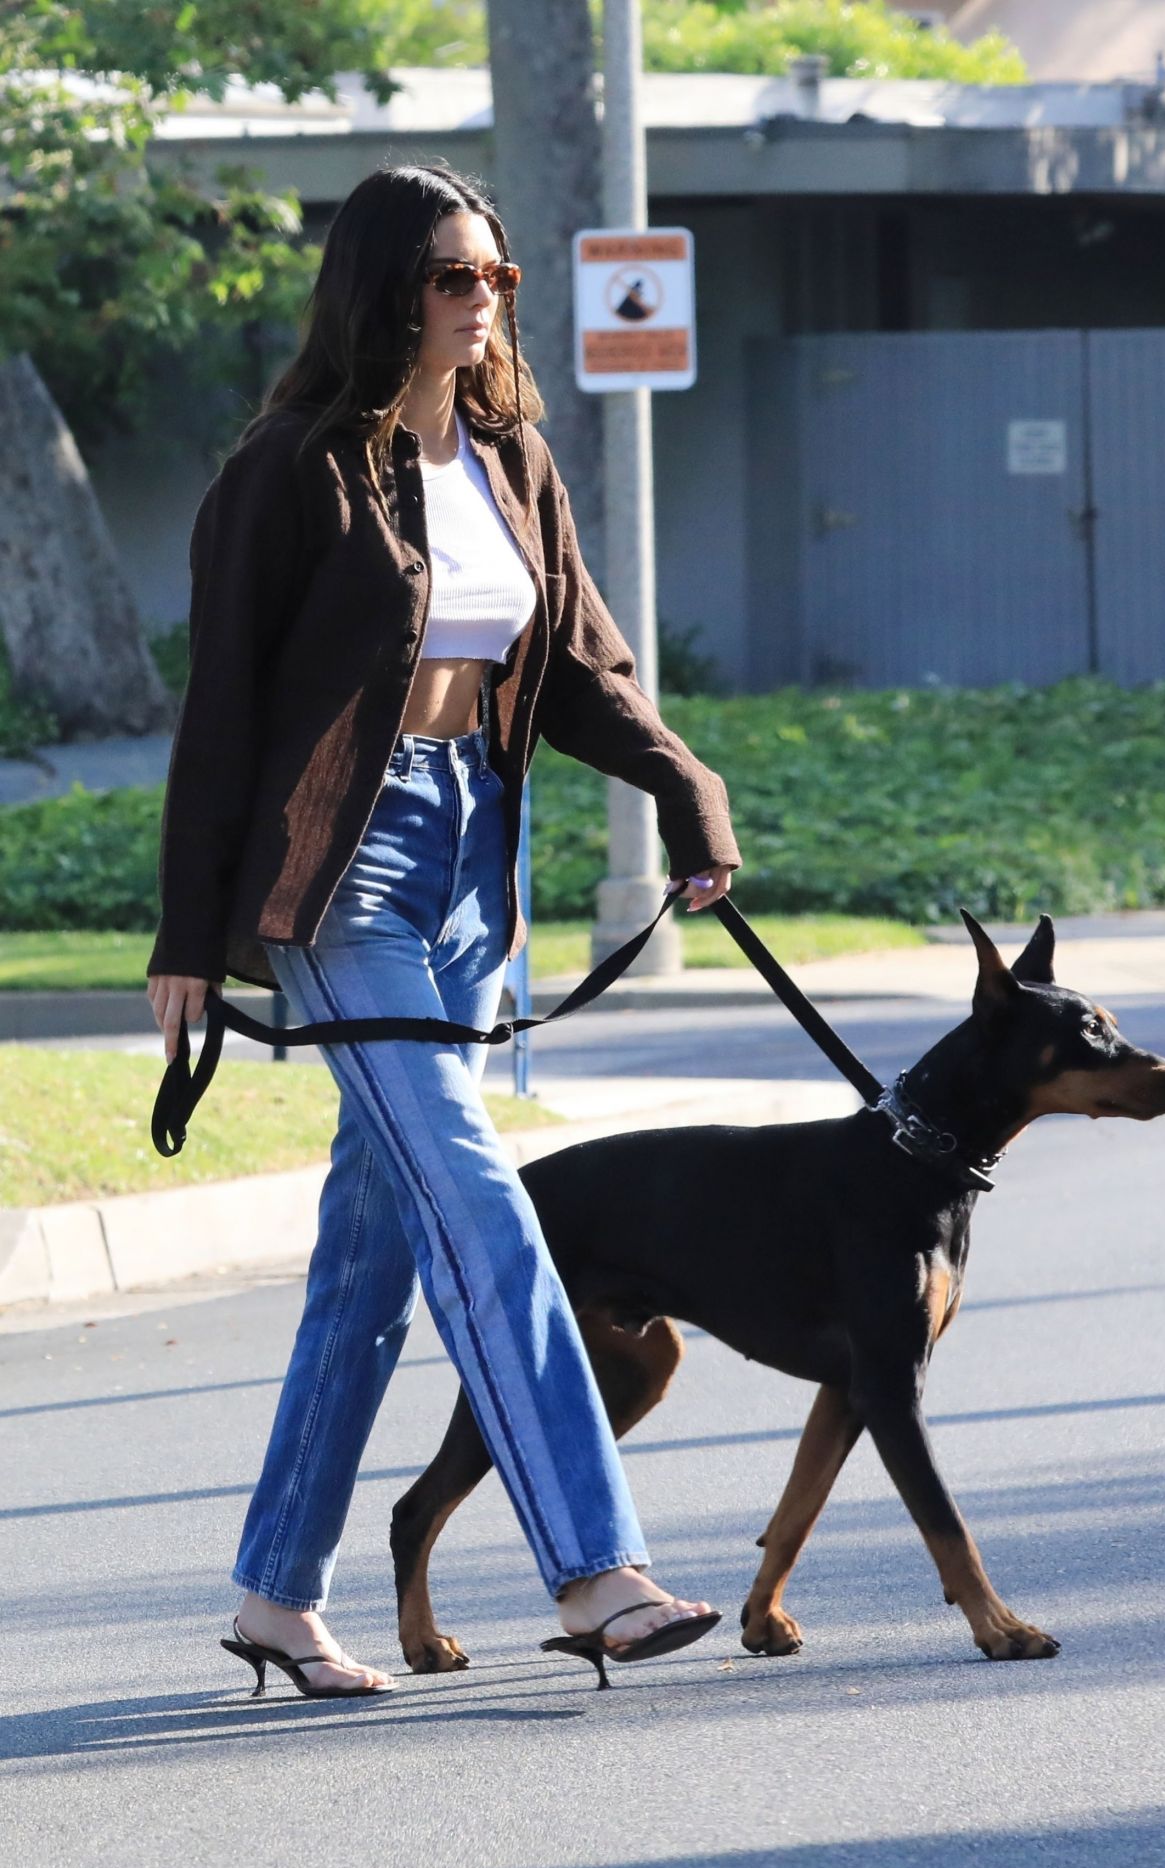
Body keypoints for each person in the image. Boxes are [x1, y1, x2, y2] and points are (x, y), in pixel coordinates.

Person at [145, 162, 742, 1697]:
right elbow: (218, 712)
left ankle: (277, 1594)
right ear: (384, 289)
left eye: (499, 281)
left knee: (369, 1257)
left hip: (475, 851)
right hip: (342, 872)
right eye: (455, 280)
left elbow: (588, 663)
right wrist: (188, 939)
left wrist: (687, 788)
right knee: (483, 1212)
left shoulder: (510, 453)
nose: (482, 306)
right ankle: (597, 1569)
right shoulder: (286, 472)